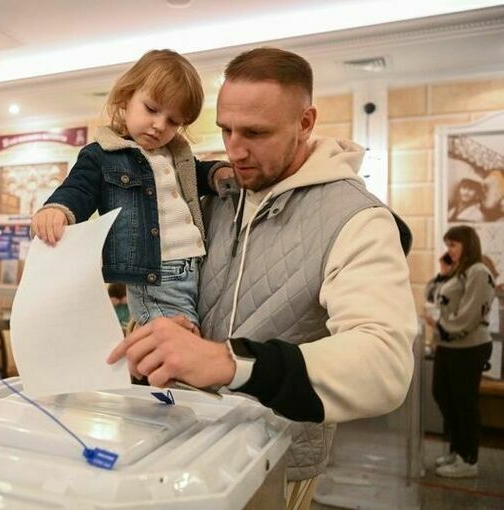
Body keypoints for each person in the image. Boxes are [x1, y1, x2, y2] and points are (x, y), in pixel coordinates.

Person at [107, 47, 417, 509]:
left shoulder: (357, 219)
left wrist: (233, 362)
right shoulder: (213, 193)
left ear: (305, 122)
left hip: (275, 462)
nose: (235, 149)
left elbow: (385, 363)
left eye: (255, 133)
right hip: (178, 444)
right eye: (226, 130)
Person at [31, 49, 231, 327]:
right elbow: (78, 188)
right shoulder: (103, 155)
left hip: (194, 268)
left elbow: (197, 173)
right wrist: (57, 209)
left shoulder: (176, 155)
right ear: (126, 97)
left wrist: (217, 172)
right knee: (175, 344)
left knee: (185, 340)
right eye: (151, 109)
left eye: (173, 121)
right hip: (156, 276)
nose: (159, 125)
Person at [425, 226, 495, 478]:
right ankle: (457, 450)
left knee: (464, 402)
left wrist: (442, 327)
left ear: (468, 245)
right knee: (444, 395)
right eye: (447, 245)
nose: (449, 250)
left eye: (453, 245)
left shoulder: (479, 272)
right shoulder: (457, 272)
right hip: (449, 346)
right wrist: (443, 272)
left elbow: (471, 312)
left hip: (469, 347)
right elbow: (431, 296)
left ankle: (469, 459)